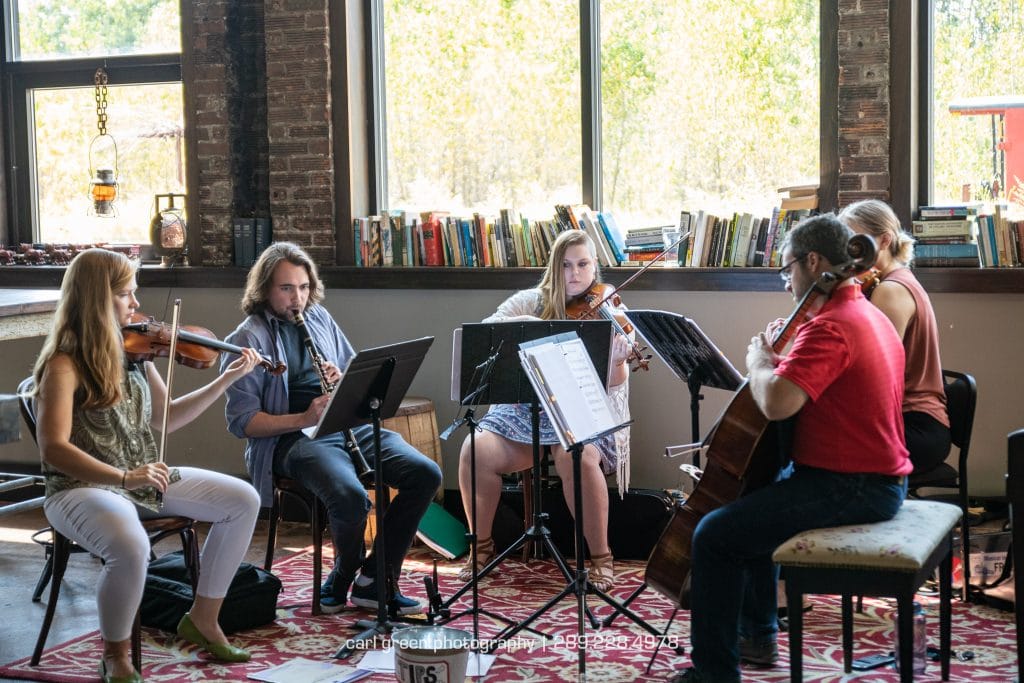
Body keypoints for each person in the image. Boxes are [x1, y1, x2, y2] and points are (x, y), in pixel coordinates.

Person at [671, 214, 911, 683]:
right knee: (758, 500)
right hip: (873, 478)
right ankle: (758, 636)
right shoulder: (866, 314)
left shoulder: (831, 326)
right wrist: (783, 361)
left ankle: (713, 674)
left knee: (714, 535)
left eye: (787, 269)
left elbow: (778, 402)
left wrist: (760, 361)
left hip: (855, 485)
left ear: (814, 261)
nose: (786, 282)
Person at [32, 248, 263, 683]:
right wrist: (123, 476)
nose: (137, 305)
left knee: (243, 499)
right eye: (126, 295)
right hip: (79, 488)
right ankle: (116, 655)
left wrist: (226, 378)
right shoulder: (63, 364)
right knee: (132, 545)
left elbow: (167, 416)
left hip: (138, 477)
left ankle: (203, 618)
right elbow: (54, 448)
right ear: (96, 299)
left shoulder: (133, 352)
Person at [223, 241, 442, 615]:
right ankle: (343, 573)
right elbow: (243, 422)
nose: (298, 298)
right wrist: (304, 419)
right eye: (286, 288)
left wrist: (342, 380)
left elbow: (355, 372)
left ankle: (375, 579)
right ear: (264, 290)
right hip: (291, 438)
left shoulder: (319, 317)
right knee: (350, 496)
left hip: (344, 423)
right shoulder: (246, 339)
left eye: (304, 287)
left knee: (425, 473)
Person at [457, 229, 632, 591]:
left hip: (580, 410)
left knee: (577, 457)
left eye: (582, 264)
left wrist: (617, 360)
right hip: (526, 411)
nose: (575, 274)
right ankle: (481, 547)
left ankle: (601, 556)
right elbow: (486, 332)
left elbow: (616, 383)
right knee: (474, 450)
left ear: (594, 266)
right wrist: (531, 327)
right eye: (566, 265)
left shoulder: (609, 307)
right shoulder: (530, 301)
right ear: (554, 267)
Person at [838, 198, 951, 474]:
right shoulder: (892, 280)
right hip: (909, 420)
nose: (848, 252)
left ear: (885, 240)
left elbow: (876, 373)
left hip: (915, 426)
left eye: (855, 242)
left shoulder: (890, 290)